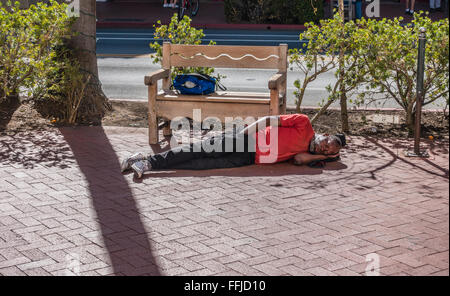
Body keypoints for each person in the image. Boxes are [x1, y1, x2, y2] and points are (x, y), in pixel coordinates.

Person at [121, 114, 345, 178]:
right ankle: (148, 161)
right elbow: (268, 120)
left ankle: (144, 163)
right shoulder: (304, 123)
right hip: (248, 139)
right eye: (327, 144)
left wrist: (321, 158)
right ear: (324, 135)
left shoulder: (307, 154)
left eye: (329, 152)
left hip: (249, 159)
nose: (325, 149)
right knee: (198, 149)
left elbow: (297, 160)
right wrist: (242, 134)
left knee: (201, 166)